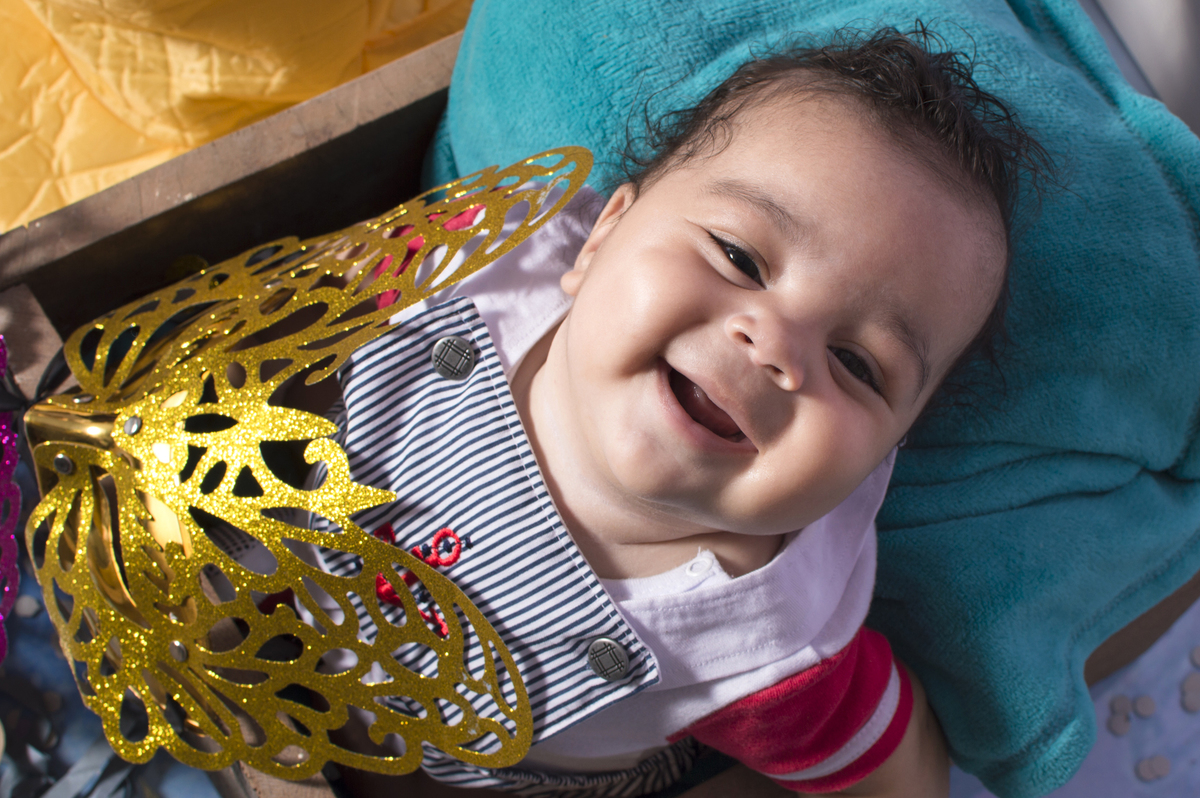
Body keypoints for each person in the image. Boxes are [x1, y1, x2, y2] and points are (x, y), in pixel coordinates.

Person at [310, 25, 1049, 798]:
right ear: (601, 238)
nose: (773, 346)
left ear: (883, 458)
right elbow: (288, 335)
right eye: (740, 257)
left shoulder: (764, 648)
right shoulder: (474, 265)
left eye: (857, 363)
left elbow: (892, 763)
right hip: (266, 585)